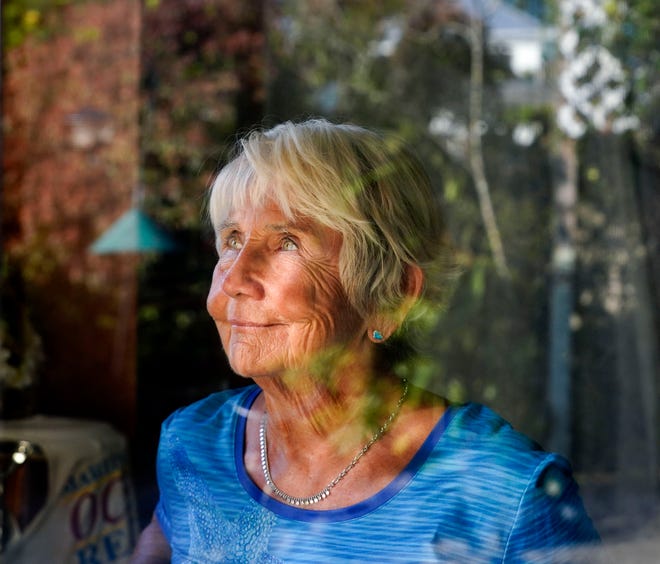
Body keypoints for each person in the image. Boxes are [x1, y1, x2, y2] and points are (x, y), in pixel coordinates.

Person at [132, 119, 600, 562]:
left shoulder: (502, 491)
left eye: (287, 242)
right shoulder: (193, 444)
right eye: (232, 239)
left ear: (389, 297)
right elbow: (161, 542)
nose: (234, 279)